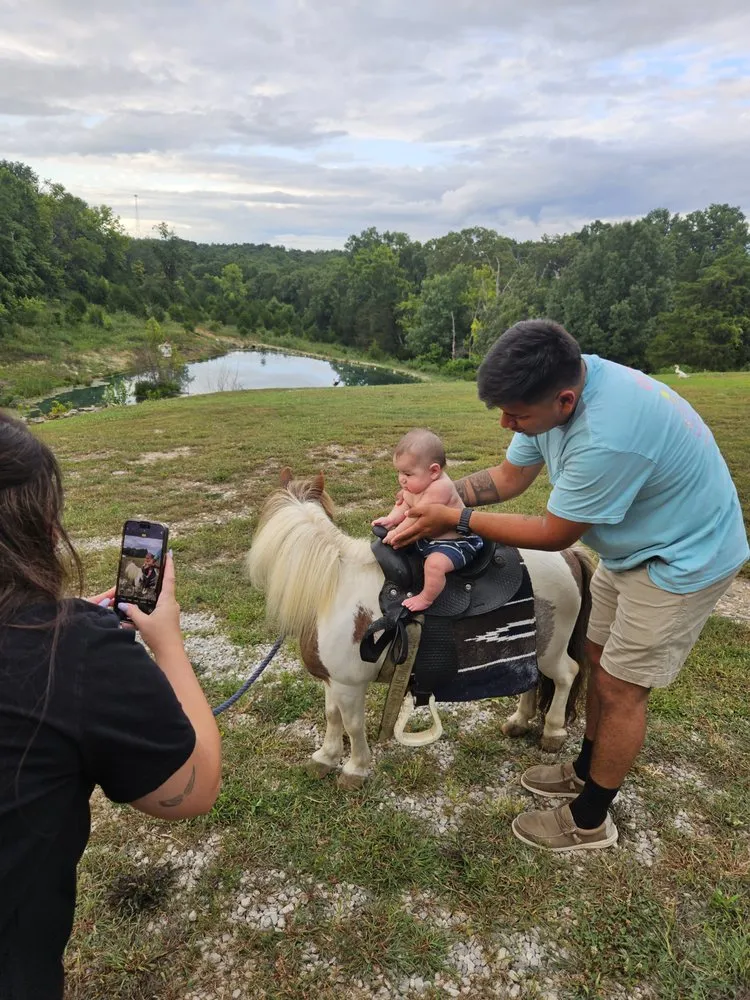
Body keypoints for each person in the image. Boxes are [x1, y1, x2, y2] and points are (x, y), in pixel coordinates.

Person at [390, 320, 749, 852]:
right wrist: (432, 501)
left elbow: (553, 533)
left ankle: (589, 820)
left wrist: (456, 518)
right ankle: (584, 768)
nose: (507, 424)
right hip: (631, 549)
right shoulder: (560, 392)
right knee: (598, 659)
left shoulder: (608, 435)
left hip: (682, 558)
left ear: (563, 399)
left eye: (517, 415)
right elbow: (510, 478)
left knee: (622, 688)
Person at [0, 411, 222, 997]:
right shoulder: (71, 649)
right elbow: (193, 788)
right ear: (43, 525)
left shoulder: (68, 639)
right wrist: (166, 640)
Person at [372, 428, 483, 611]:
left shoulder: (440, 488)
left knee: (434, 565)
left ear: (433, 471)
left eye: (407, 474)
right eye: (399, 472)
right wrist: (391, 520)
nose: (402, 479)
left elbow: (417, 517)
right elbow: (404, 504)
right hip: (429, 539)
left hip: (455, 544)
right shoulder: (419, 484)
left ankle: (426, 597)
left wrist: (396, 533)